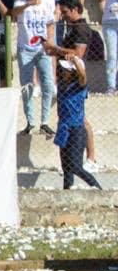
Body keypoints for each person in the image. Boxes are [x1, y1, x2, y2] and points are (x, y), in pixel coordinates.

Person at [11, 0, 58, 135]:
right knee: (27, 86)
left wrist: (49, 43)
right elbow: (14, 12)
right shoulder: (20, 2)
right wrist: (28, 5)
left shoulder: (46, 5)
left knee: (47, 83)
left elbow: (50, 24)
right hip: (25, 49)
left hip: (42, 49)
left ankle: (45, 121)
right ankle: (30, 122)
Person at [52, 41, 102, 189]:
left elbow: (83, 76)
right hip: (63, 128)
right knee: (66, 167)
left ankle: (96, 187)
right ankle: (67, 190)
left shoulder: (79, 86)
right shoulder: (62, 85)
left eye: (66, 70)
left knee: (75, 166)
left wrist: (75, 60)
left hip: (76, 130)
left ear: (73, 72)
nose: (63, 71)